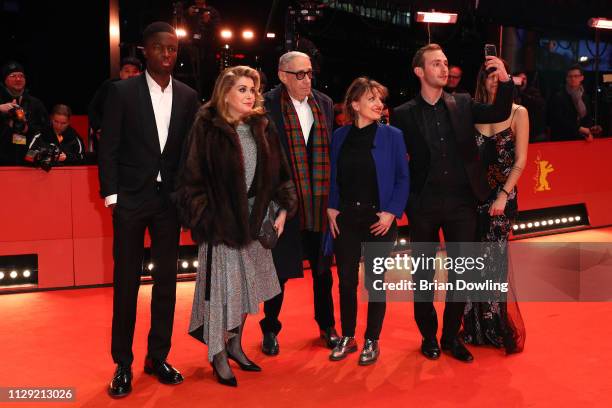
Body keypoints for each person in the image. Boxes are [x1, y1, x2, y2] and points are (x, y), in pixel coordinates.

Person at [174, 65, 297, 387]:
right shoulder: (207, 126)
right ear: (225, 93)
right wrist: (209, 219)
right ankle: (217, 353)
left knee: (247, 290)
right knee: (223, 293)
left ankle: (235, 344)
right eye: (242, 89)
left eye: (253, 89)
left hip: (256, 222)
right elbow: (191, 181)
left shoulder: (262, 124)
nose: (250, 95)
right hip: (221, 226)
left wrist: (283, 209)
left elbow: (280, 174)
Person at [393, 43, 514, 363]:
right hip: (423, 206)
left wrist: (505, 80)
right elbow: (395, 161)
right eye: (436, 64)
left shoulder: (462, 103)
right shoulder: (403, 114)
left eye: (446, 63)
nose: (444, 68)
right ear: (419, 71)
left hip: (462, 203)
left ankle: (450, 337)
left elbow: (500, 112)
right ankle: (428, 337)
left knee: (463, 274)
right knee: (423, 276)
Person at [98, 22, 200, 398]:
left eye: (173, 49)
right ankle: (122, 363)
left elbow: (190, 150)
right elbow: (108, 146)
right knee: (125, 283)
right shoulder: (122, 92)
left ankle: (158, 357)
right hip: (129, 200)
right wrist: (112, 196)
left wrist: (188, 195)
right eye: (161, 48)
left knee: (167, 285)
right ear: (146, 51)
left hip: (168, 203)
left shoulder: (189, 96)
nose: (168, 55)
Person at [325, 77, 409, 365]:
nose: (378, 104)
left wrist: (391, 212)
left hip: (379, 219)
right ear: (355, 104)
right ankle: (348, 337)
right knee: (346, 281)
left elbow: (402, 178)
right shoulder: (339, 136)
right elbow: (334, 177)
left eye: (380, 99)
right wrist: (331, 208)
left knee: (375, 282)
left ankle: (372, 340)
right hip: (346, 217)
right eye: (371, 98)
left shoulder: (393, 136)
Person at [261, 51, 340, 356]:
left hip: (319, 203)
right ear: (282, 76)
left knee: (323, 271)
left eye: (309, 73)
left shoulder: (324, 103)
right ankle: (270, 328)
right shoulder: (266, 106)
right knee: (278, 272)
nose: (307, 80)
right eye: (299, 75)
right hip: (283, 204)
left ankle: (326, 325)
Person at [461, 62, 528, 354]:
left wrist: (502, 196)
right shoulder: (471, 112)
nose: (493, 80)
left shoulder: (518, 112)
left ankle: (494, 326)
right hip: (472, 198)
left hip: (502, 198)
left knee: (493, 264)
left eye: (497, 75)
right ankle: (473, 328)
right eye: (487, 75)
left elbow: (521, 160)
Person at [88, 57, 143, 153]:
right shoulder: (109, 86)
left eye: (135, 71)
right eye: (127, 71)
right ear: (121, 73)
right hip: (109, 137)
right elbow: (93, 108)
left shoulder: (145, 90)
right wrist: (98, 128)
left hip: (134, 140)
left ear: (140, 74)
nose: (131, 75)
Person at [0, 61, 49, 165]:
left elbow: (46, 131)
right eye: (13, 76)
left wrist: (27, 128)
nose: (18, 79)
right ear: (5, 80)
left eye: (21, 76)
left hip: (28, 164)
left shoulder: (35, 103)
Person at [548, 65, 596, 142]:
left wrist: (589, 132)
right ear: (566, 78)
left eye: (576, 76)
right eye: (570, 76)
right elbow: (559, 119)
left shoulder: (585, 96)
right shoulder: (559, 96)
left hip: (580, 139)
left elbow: (587, 117)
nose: (573, 79)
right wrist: (579, 129)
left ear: (582, 78)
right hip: (562, 139)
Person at [513, 71, 548, 142]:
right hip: (516, 131)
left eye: (524, 79)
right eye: (519, 78)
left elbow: (540, 104)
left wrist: (522, 93)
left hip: (533, 132)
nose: (522, 81)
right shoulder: (510, 92)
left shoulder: (532, 92)